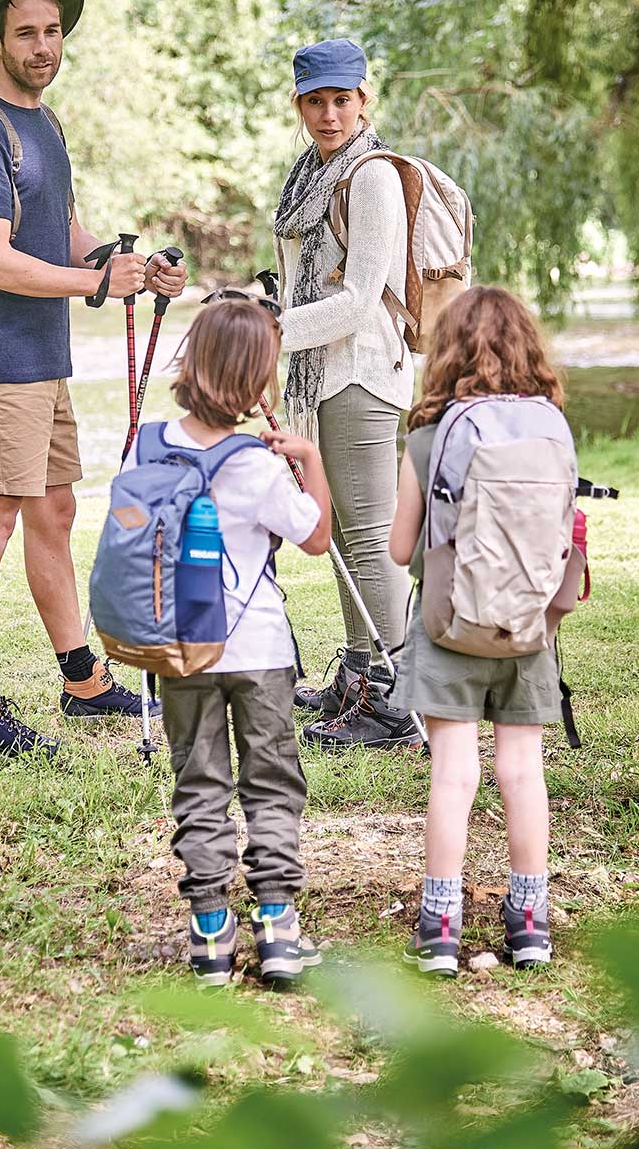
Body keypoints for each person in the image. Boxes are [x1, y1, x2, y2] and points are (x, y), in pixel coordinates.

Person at [0, 0, 187, 759]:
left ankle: (80, 678)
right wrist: (90, 281)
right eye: (26, 34)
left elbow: (67, 236)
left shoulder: (44, 124)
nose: (43, 47)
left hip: (42, 358)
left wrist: (128, 266)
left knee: (54, 511)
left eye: (52, 32)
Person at [136, 297, 331, 985]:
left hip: (184, 647)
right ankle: (278, 926)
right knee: (271, 782)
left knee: (200, 779)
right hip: (260, 651)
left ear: (190, 363)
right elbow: (316, 540)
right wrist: (307, 458)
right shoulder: (260, 465)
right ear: (256, 383)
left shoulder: (150, 443)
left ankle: (210, 933)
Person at [389, 286, 566, 977]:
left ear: (447, 350)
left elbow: (402, 547)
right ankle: (529, 923)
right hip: (527, 627)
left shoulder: (430, 434)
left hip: (447, 625)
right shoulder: (550, 425)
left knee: (453, 774)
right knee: (522, 771)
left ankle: (439, 928)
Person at [274, 37, 419, 751]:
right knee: (344, 544)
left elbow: (362, 300)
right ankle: (359, 675)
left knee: (367, 538)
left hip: (363, 371)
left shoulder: (371, 176)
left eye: (341, 100)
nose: (328, 114)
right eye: (314, 101)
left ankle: (392, 704)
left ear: (365, 100)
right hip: (323, 376)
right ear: (299, 103)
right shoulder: (312, 173)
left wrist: (268, 329)